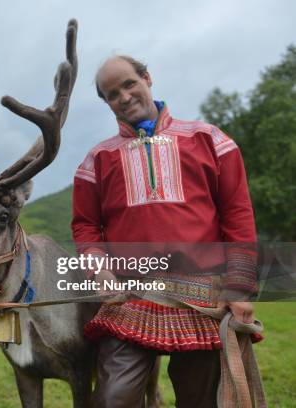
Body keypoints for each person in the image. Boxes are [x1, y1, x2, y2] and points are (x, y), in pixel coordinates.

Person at [71, 56, 259, 407]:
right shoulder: (96, 159)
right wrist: (99, 269)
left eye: (129, 84)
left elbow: (237, 213)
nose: (124, 97)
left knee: (200, 399)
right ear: (106, 103)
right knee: (112, 398)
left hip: (203, 297)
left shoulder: (209, 139)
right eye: (112, 94)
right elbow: (84, 225)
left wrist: (240, 285)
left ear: (147, 77)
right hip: (130, 297)